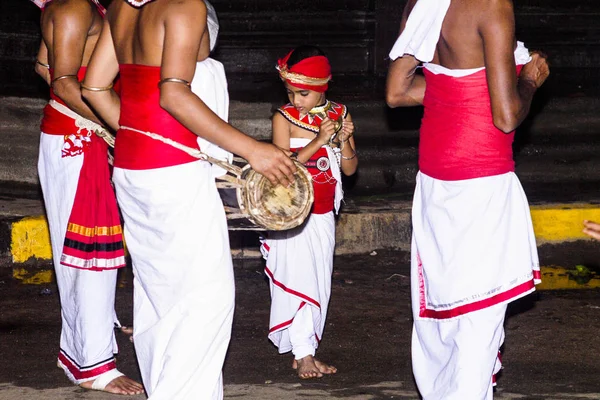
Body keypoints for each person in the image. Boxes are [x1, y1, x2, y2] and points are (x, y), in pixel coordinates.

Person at [81, 0, 296, 398]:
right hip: (172, 172)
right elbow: (173, 95)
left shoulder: (121, 8)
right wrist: (253, 149)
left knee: (158, 293)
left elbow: (94, 87)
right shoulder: (184, 5)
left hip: (132, 168)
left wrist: (140, 137)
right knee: (204, 301)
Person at [385, 0, 549, 398]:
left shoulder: (420, 4)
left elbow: (397, 92)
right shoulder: (491, 5)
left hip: (435, 176)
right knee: (478, 311)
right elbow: (507, 115)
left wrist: (458, 90)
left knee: (443, 303)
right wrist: (529, 79)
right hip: (480, 177)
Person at [32, 0, 143, 395]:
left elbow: (43, 67)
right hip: (78, 141)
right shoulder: (74, 7)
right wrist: (116, 125)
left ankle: (81, 346)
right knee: (91, 255)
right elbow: (61, 82)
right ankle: (95, 367)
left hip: (77, 136)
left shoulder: (75, 6)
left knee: (85, 255)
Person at [260, 45, 358, 379]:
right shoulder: (283, 117)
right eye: (290, 92)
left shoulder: (341, 113)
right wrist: (318, 141)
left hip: (323, 212)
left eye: (303, 93)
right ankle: (303, 354)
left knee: (317, 282)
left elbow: (349, 170)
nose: (296, 99)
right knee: (298, 278)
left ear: (321, 88)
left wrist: (343, 141)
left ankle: (305, 347)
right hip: (291, 213)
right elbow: (280, 167)